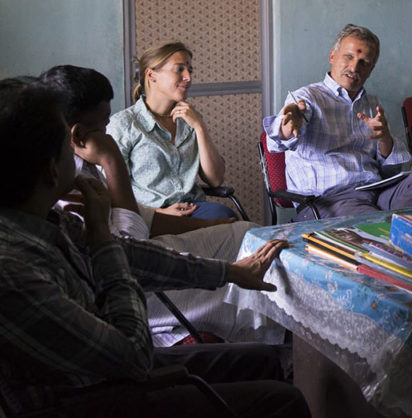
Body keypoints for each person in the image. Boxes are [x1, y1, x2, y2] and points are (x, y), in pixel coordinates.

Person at [0, 78, 309, 417]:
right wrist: (102, 235)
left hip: (107, 373)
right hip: (89, 397)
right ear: (49, 169)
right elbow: (133, 355)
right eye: (66, 146)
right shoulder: (12, 272)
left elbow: (134, 255)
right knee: (283, 400)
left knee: (262, 359)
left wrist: (230, 272)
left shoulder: (48, 220)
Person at [40, 65, 285, 347]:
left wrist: (210, 225)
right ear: (79, 134)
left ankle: (280, 332)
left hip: (136, 245)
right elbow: (126, 252)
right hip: (123, 284)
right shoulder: (65, 179)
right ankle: (268, 340)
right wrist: (113, 161)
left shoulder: (84, 162)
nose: (188, 77)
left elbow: (143, 217)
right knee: (241, 289)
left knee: (245, 234)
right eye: (102, 127)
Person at [264, 24, 412, 220]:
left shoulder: (372, 104)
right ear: (332, 56)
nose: (354, 67)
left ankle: (391, 230)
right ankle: (390, 230)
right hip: (329, 202)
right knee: (375, 219)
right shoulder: (306, 98)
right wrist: (287, 127)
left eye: (364, 62)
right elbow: (278, 140)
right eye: (348, 57)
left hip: (374, 192)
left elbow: (390, 170)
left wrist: (384, 138)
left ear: (371, 70)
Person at [107, 42, 237, 220]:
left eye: (190, 70)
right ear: (151, 75)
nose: (188, 77)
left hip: (194, 209)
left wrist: (199, 127)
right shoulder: (124, 124)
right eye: (179, 69)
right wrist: (157, 213)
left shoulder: (190, 119)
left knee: (228, 219)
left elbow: (215, 179)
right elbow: (110, 189)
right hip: (148, 215)